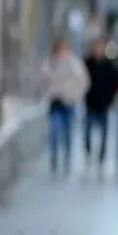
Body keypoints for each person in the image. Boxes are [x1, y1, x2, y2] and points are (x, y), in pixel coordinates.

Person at [41, 38, 90, 175]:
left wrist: (73, 95)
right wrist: (50, 92)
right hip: (55, 103)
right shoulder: (50, 63)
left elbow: (83, 82)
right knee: (54, 132)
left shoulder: (75, 63)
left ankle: (67, 158)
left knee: (68, 133)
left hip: (69, 103)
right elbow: (44, 81)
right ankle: (54, 158)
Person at [83, 38, 118, 173]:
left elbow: (115, 83)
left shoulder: (109, 66)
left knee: (104, 134)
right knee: (87, 133)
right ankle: (88, 154)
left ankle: (101, 159)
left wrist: (109, 99)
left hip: (104, 106)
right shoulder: (86, 64)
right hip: (90, 104)